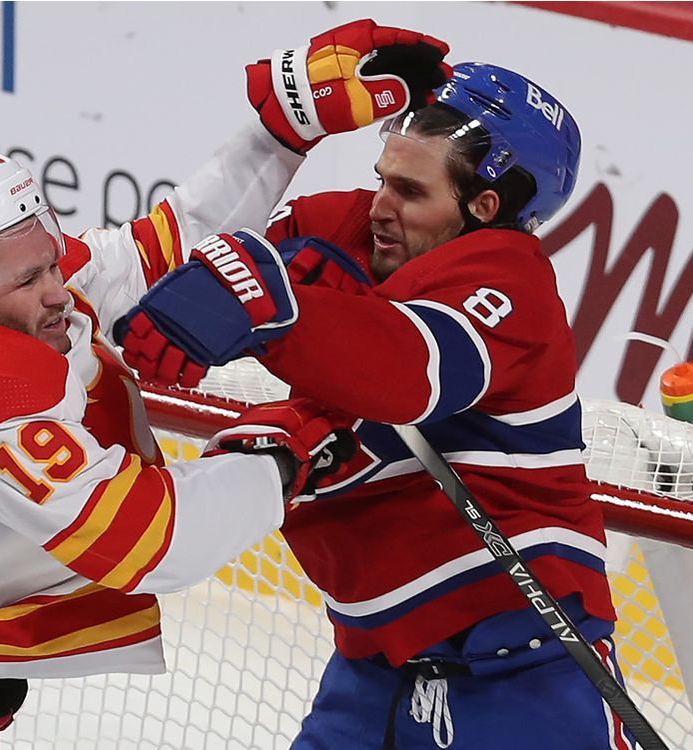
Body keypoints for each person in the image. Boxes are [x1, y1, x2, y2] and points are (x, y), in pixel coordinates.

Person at [0, 21, 451, 750]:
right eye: (32, 277)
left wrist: (281, 132)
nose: (59, 289)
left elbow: (170, 244)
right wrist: (282, 457)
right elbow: (152, 543)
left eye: (50, 260)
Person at [117, 63, 638, 748]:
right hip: (371, 678)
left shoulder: (513, 283)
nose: (379, 206)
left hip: (526, 687)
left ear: (482, 208)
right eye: (382, 177)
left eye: (410, 190)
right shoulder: (351, 236)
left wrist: (284, 315)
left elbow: (408, 370)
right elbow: (196, 277)